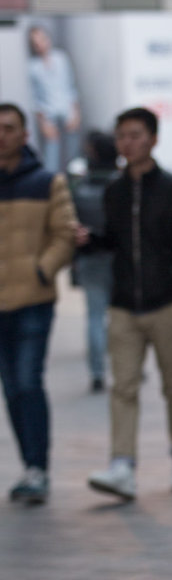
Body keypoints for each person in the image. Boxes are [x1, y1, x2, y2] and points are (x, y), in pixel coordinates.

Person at [86, 108, 172, 500]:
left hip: (166, 303)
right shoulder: (114, 191)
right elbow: (115, 241)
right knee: (123, 388)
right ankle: (122, 466)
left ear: (153, 138)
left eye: (135, 135)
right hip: (122, 306)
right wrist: (89, 239)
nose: (127, 143)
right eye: (121, 136)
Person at [0, 102, 76, 504]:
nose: (2, 135)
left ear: (24, 134)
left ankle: (38, 468)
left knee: (28, 382)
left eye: (9, 128)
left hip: (32, 300)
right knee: (12, 388)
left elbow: (64, 234)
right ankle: (30, 465)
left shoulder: (47, 181)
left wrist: (41, 271)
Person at [71, 131, 119, 393]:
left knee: (94, 316)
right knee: (120, 316)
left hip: (90, 258)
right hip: (118, 259)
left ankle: (97, 372)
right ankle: (126, 363)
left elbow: (73, 228)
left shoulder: (80, 187)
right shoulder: (120, 185)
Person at [27, 25, 81, 174]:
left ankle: (75, 186)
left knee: (74, 157)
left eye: (42, 40)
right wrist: (43, 122)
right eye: (36, 43)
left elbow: (70, 86)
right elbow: (36, 98)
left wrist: (75, 112)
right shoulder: (33, 67)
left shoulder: (61, 58)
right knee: (51, 156)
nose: (40, 45)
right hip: (49, 112)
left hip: (66, 108)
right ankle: (51, 186)